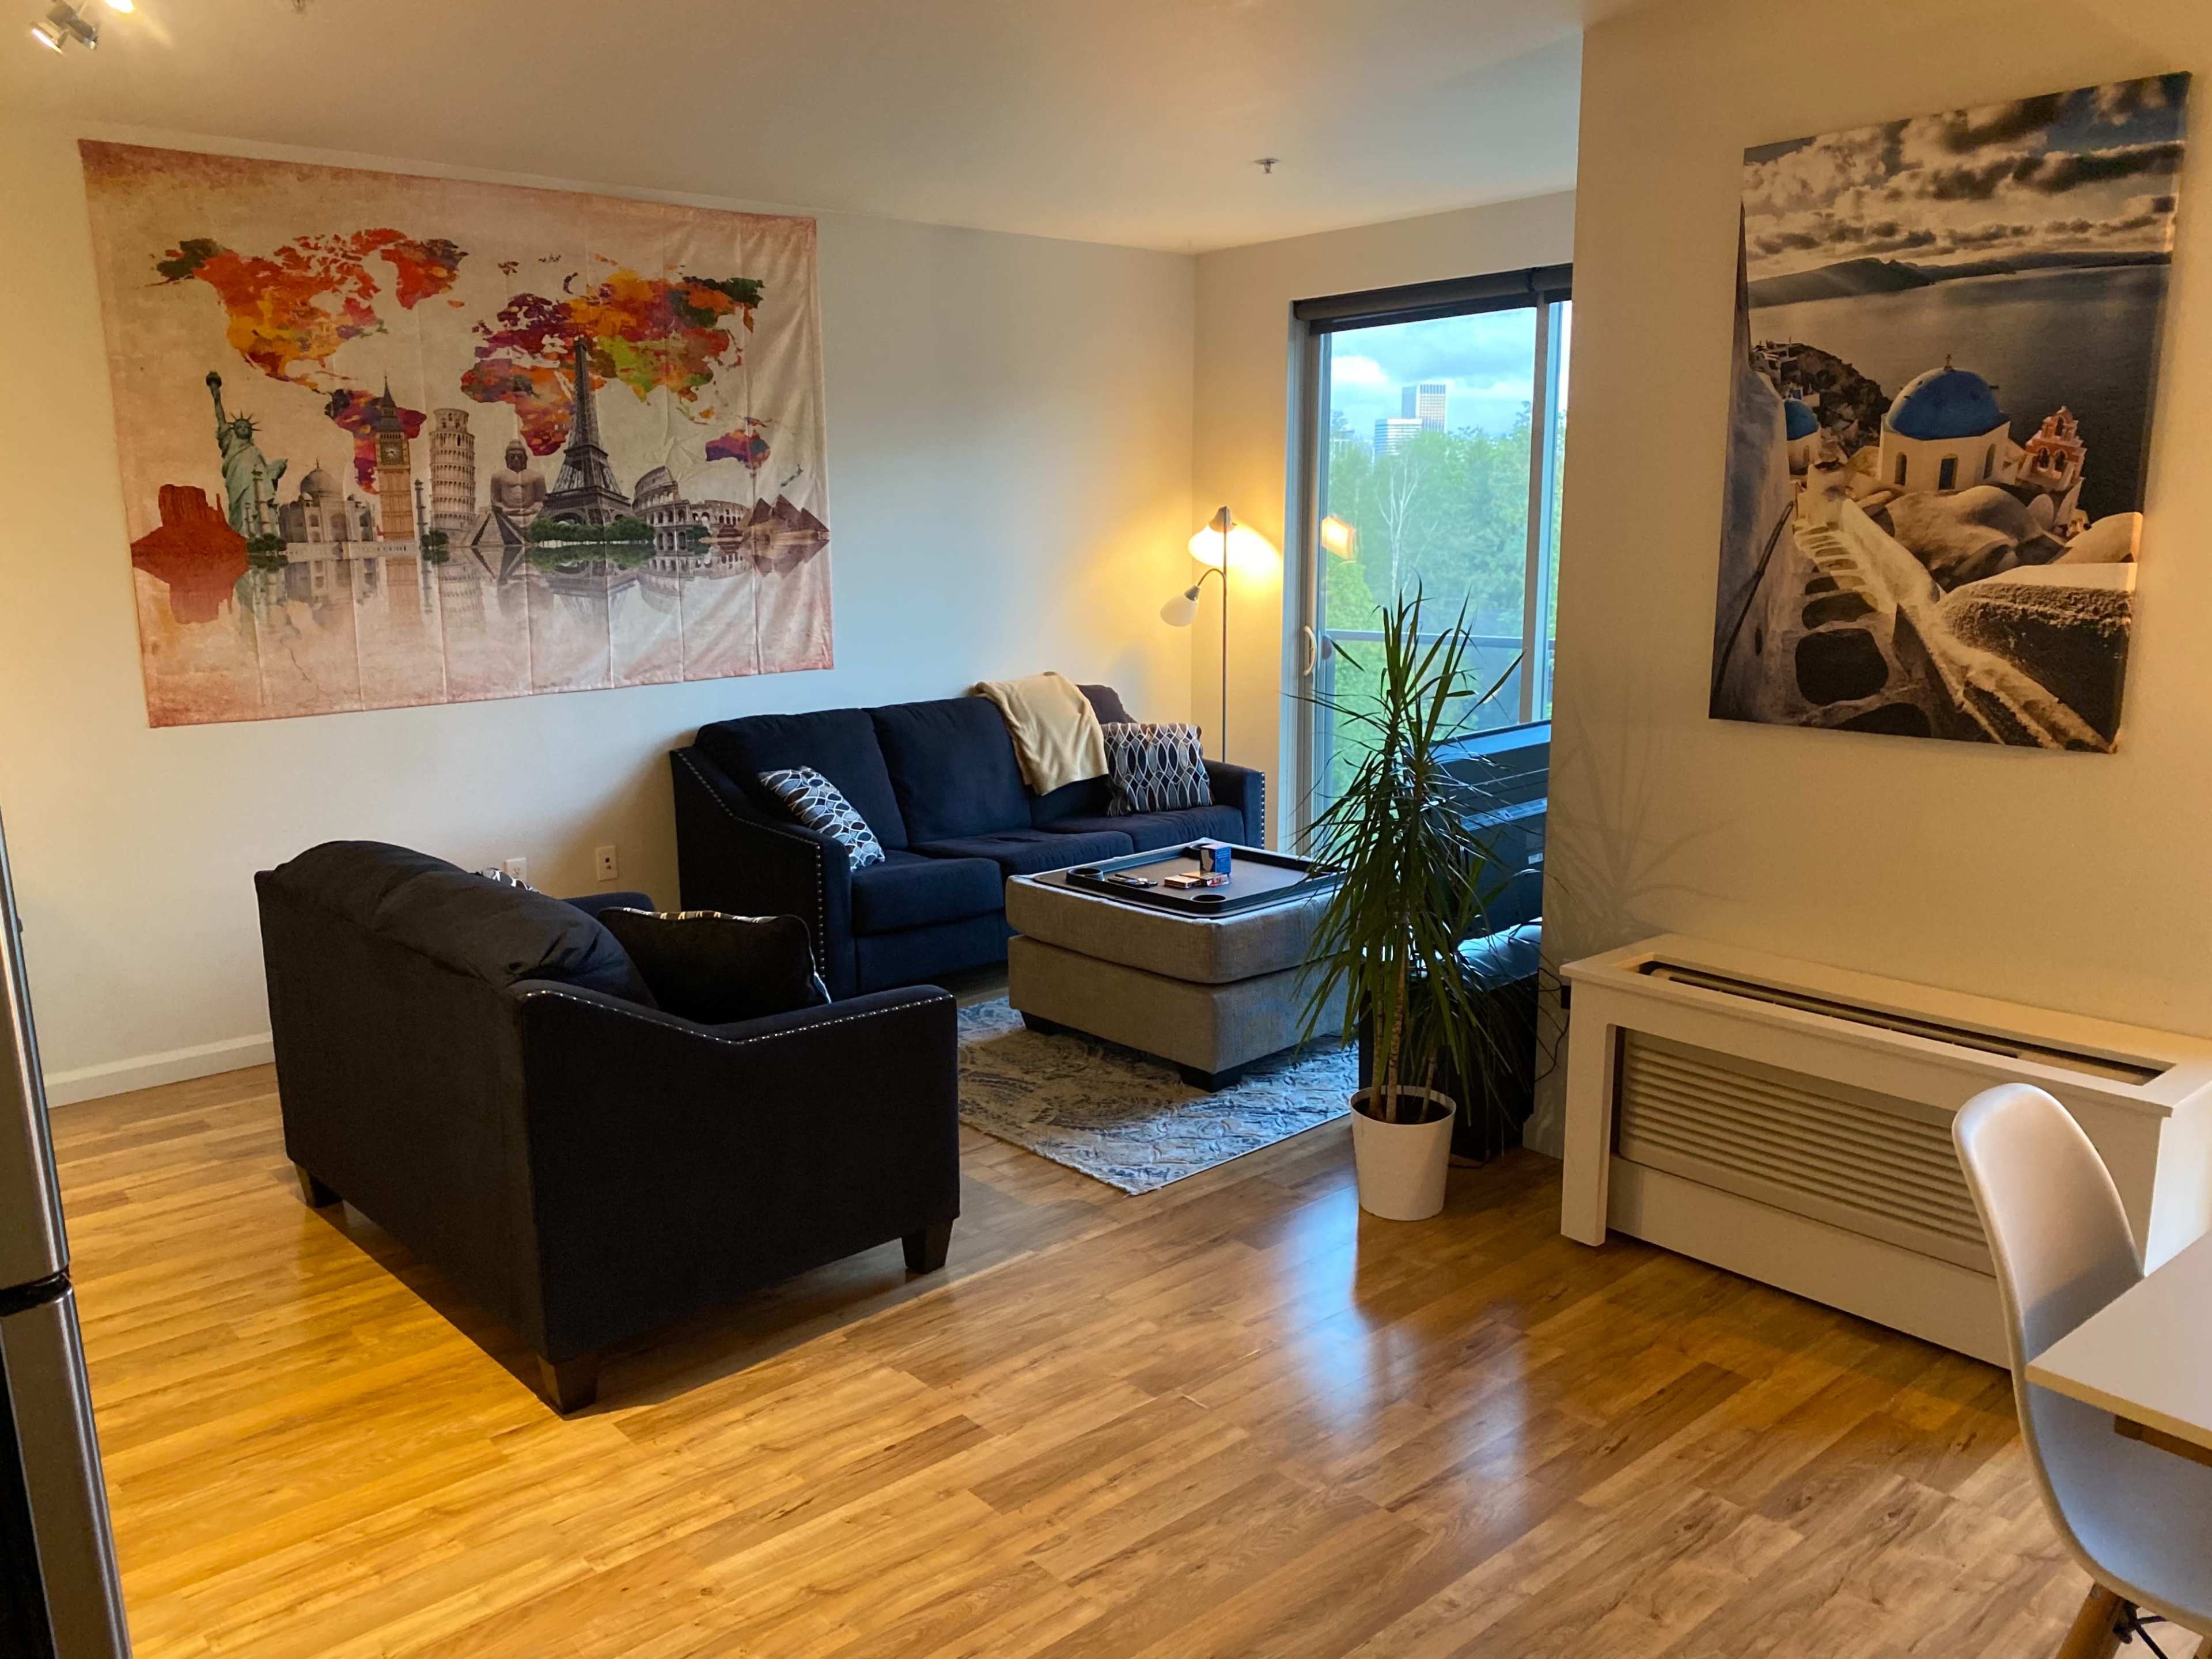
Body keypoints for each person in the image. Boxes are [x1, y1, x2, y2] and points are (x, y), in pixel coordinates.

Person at [206, 371, 286, 537]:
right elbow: (220, 417)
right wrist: (216, 394)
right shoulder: (229, 442)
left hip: (255, 484)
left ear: (250, 432)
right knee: (241, 509)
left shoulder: (255, 450)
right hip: (237, 480)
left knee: (258, 507)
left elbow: (266, 475)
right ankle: (243, 537)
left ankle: (260, 537)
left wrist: (276, 470)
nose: (243, 429)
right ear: (234, 430)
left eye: (246, 427)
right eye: (240, 427)